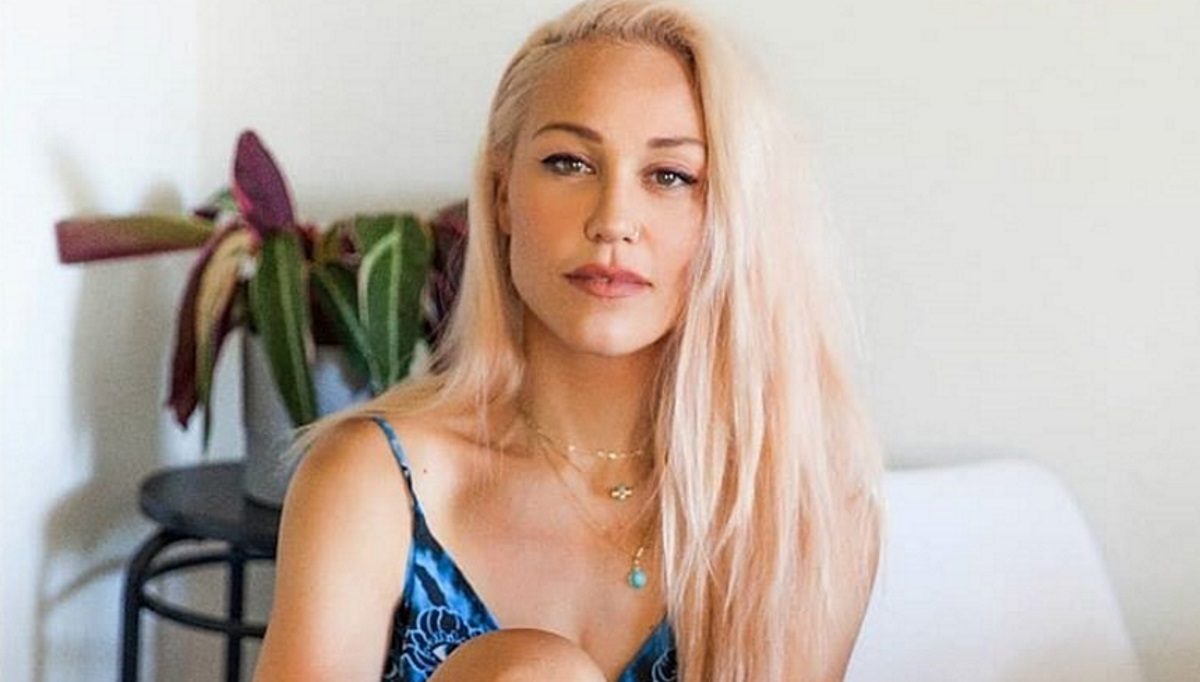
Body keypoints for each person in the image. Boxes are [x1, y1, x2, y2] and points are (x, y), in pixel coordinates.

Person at [253, 0, 885, 680]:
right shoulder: (373, 481)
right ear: (501, 196)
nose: (613, 220)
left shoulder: (804, 516)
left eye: (671, 176)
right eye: (569, 163)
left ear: (732, 216)